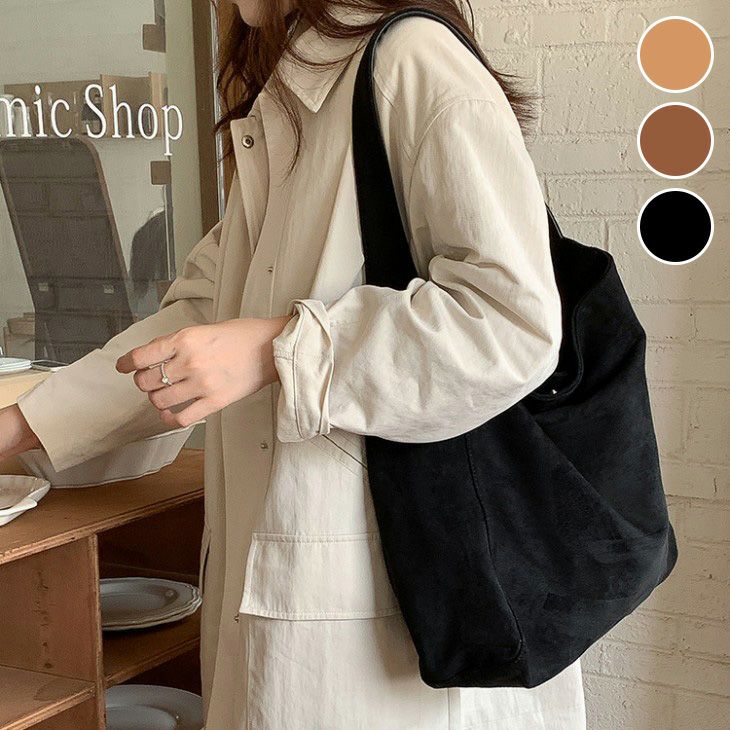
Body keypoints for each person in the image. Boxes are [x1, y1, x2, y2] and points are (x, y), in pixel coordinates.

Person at [0, 1, 586, 727]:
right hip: (314, 583)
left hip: (395, 609)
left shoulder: (410, 61)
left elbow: (511, 323)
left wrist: (277, 350)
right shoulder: (293, 96)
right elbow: (199, 317)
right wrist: (20, 426)